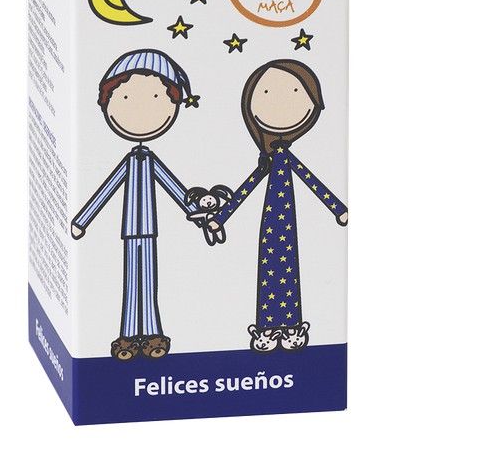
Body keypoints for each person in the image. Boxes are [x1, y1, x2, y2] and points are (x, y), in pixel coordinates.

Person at [71, 49, 218, 360]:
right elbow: (106, 191)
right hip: (130, 232)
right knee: (131, 284)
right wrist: (82, 220)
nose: (141, 111)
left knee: (147, 283)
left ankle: (152, 334)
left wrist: (197, 214)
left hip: (149, 231)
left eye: (156, 99)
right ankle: (127, 336)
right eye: (125, 99)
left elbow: (176, 189)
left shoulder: (151, 161)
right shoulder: (130, 161)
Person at [215, 59, 348, 353]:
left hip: (288, 226)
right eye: (265, 94)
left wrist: (338, 208)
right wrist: (221, 217)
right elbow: (246, 188)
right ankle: (266, 326)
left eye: (296, 93)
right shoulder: (268, 160)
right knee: (268, 272)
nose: (280, 102)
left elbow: (312, 181)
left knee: (289, 271)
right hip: (271, 225)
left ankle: (290, 324)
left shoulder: (286, 158)